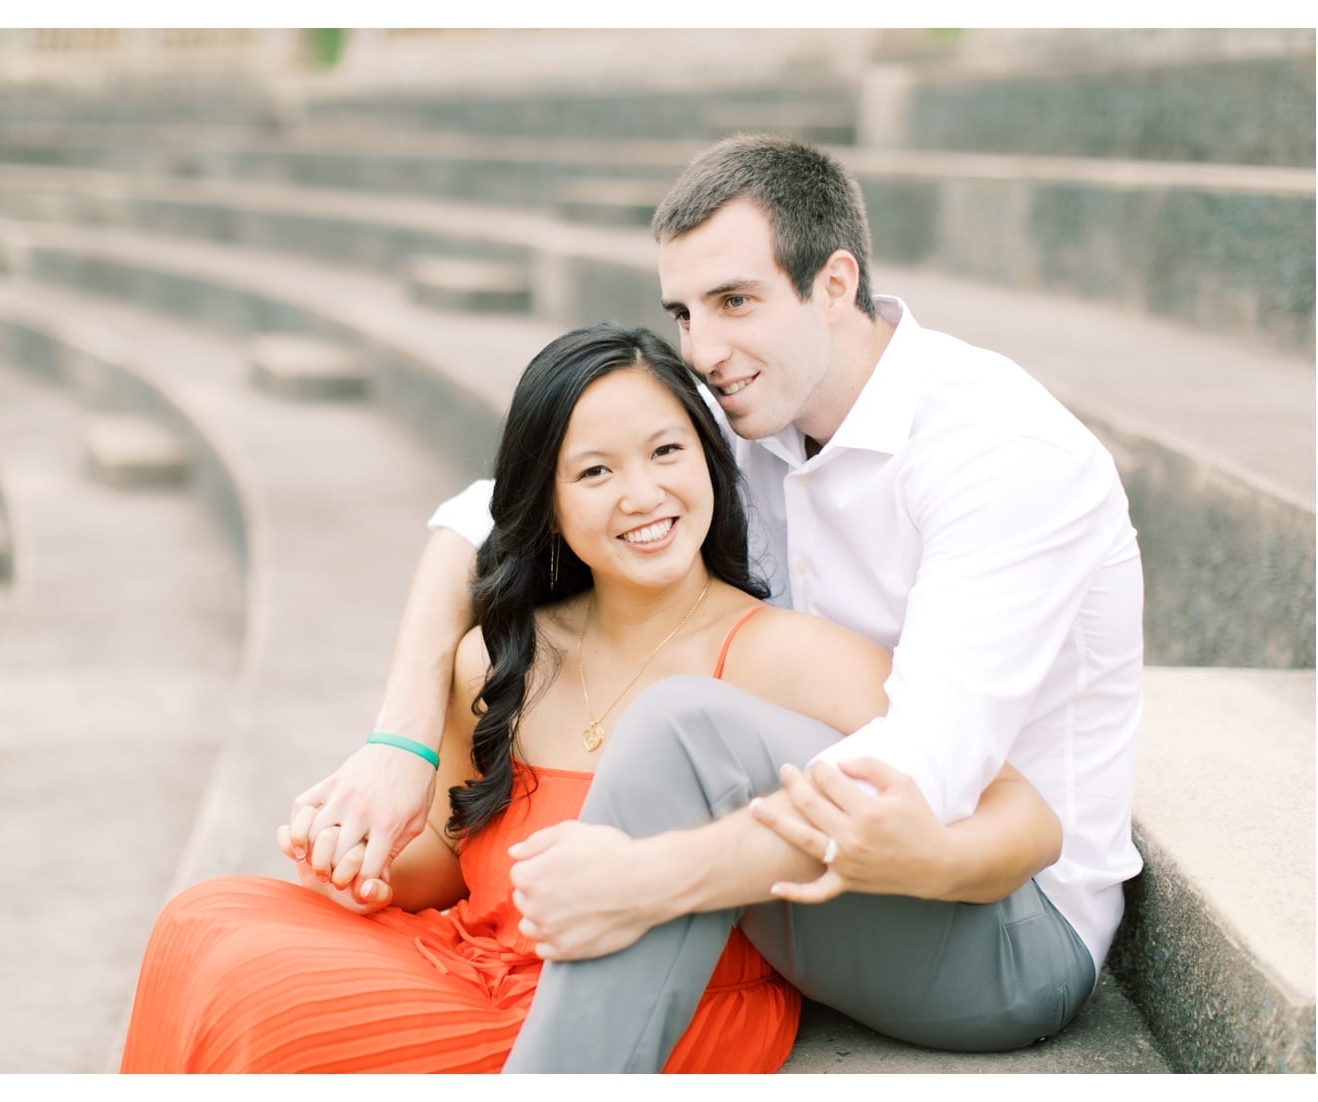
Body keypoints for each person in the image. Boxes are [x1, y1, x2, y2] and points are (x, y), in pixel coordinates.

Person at [288, 134, 1144, 1071]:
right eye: (685, 311)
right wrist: (400, 745)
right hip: (803, 879)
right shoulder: (752, 411)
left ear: (833, 283)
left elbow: (921, 777)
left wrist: (645, 878)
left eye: (735, 302)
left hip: (1000, 919)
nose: (703, 349)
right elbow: (475, 520)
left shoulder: (1000, 453)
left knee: (684, 724)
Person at [120, 324, 1063, 1073]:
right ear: (549, 502)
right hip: (471, 962)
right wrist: (357, 858)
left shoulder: (776, 654)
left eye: (666, 452)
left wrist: (929, 855)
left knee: (279, 1032)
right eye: (596, 472)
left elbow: (1013, 803)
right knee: (204, 926)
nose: (642, 494)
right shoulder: (498, 655)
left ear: (708, 462)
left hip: (644, 1003)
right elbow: (445, 867)